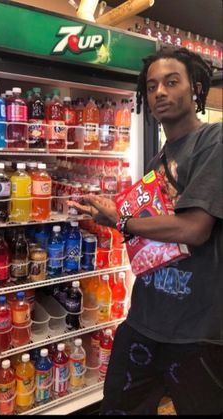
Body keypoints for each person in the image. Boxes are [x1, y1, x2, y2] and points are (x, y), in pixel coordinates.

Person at [68, 47, 223, 415]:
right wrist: (117, 212)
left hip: (196, 331)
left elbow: (195, 228)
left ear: (196, 88)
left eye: (172, 82)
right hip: (145, 319)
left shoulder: (213, 142)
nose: (160, 93)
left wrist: (121, 222)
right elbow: (151, 236)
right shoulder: (158, 159)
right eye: (151, 86)